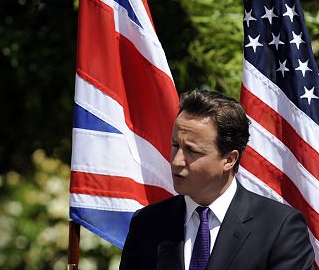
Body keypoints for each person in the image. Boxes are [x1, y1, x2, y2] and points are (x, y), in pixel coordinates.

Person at [120, 89, 314, 270]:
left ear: (229, 159)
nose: (177, 161)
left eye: (192, 151)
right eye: (175, 145)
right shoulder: (146, 224)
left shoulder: (280, 228)